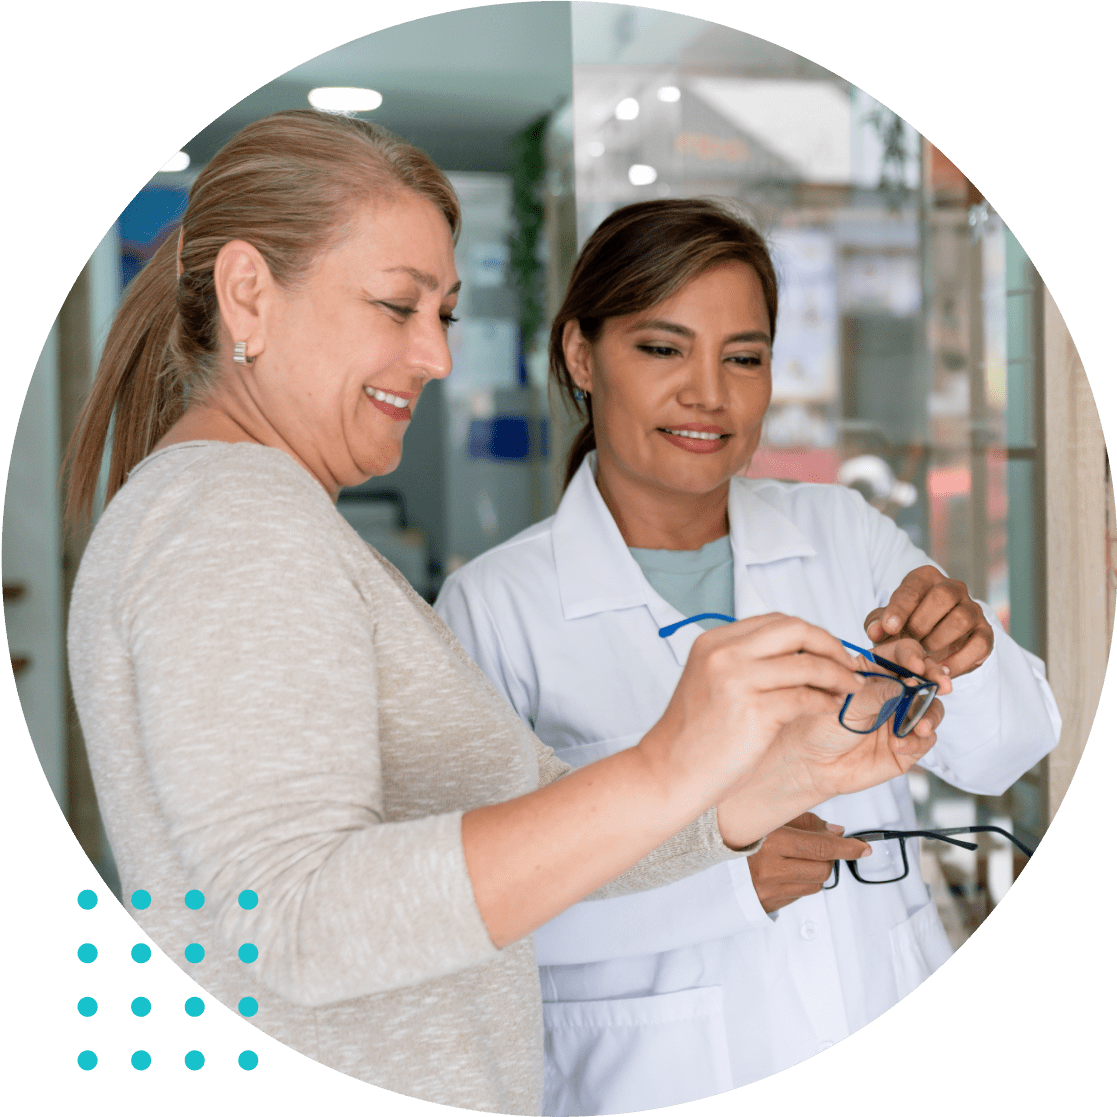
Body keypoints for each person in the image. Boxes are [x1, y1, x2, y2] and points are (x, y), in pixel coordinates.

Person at [63, 115, 945, 1114]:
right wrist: (666, 760)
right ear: (247, 295)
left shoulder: (242, 517)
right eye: (398, 306)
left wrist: (781, 772)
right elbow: (288, 920)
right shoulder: (235, 520)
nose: (435, 356)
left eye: (443, 312)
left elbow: (544, 841)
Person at [435, 198, 1061, 1114]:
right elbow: (467, 912)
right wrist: (725, 885)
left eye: (744, 356)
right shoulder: (496, 608)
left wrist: (965, 651)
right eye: (661, 348)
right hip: (647, 1073)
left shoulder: (840, 533)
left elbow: (1011, 746)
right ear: (580, 354)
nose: (708, 394)